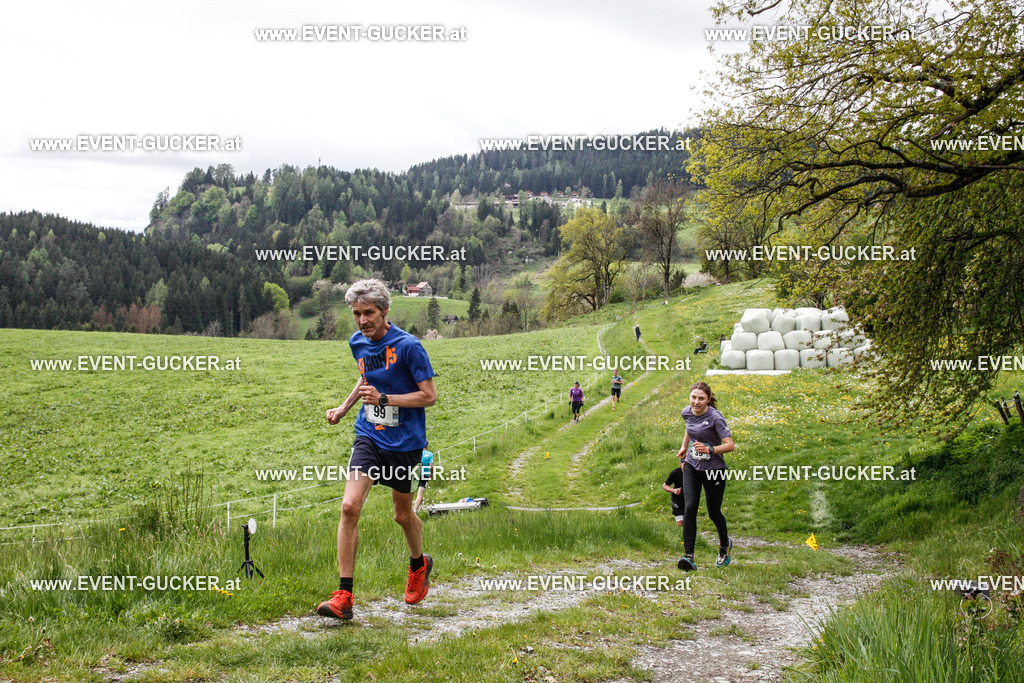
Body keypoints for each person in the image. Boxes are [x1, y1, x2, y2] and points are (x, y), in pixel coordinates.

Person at [317, 279, 437, 620]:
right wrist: (343, 407)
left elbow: (429, 396)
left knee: (402, 514)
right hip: (369, 434)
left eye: (368, 313)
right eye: (356, 313)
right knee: (349, 507)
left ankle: (419, 564)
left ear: (385, 311)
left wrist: (386, 399)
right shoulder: (357, 342)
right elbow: (366, 377)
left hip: (405, 442)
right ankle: (343, 595)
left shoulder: (410, 346)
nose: (362, 320)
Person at [675, 381, 735, 571]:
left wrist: (710, 449)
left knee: (713, 512)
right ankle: (689, 557)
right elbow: (689, 426)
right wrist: (685, 446)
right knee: (690, 507)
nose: (696, 402)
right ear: (690, 397)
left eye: (701, 398)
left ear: (708, 400)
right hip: (692, 465)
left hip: (714, 470)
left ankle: (724, 546)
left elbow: (730, 445)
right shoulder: (686, 411)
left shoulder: (715, 418)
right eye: (694, 397)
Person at [662, 458, 686, 527]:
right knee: (680, 522)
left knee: (688, 520)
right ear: (680, 464)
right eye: (684, 465)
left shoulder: (693, 473)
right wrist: (674, 490)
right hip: (677, 499)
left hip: (689, 498)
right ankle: (680, 535)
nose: (686, 467)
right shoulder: (675, 473)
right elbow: (665, 486)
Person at [413, 448, 434, 513]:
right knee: (420, 495)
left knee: (415, 494)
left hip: (416, 474)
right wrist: (432, 473)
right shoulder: (429, 454)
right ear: (427, 445)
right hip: (424, 475)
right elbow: (431, 466)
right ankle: (414, 510)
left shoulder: (416, 453)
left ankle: (420, 509)